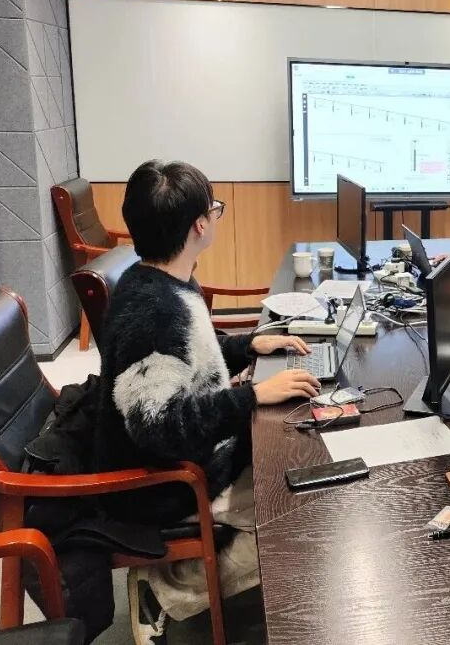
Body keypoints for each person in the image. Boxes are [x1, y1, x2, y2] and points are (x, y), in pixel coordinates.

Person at [94, 160, 321, 642]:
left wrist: (248, 345)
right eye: (214, 208)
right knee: (307, 506)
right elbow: (159, 425)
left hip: (202, 452)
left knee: (306, 460)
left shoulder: (163, 279)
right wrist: (252, 396)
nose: (217, 215)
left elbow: (190, 355)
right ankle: (169, 589)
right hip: (175, 481)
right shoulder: (152, 311)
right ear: (199, 225)